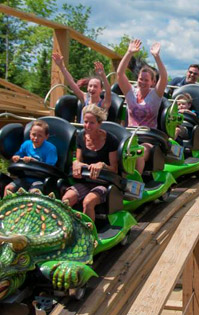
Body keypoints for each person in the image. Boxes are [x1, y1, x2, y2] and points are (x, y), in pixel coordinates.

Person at [117, 38, 168, 175]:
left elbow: (163, 77)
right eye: (141, 79)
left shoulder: (155, 95)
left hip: (148, 137)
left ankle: (134, 181)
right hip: (129, 135)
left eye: (146, 80)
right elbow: (120, 74)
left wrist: (156, 57)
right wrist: (129, 53)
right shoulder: (131, 93)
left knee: (137, 152)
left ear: (152, 82)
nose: (143, 82)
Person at [61, 104, 118, 222]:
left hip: (103, 183)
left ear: (99, 123)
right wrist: (76, 164)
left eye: (92, 123)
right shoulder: (81, 137)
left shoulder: (110, 140)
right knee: (66, 199)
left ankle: (89, 233)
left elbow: (114, 169)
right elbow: (78, 160)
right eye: (85, 122)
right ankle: (67, 229)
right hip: (86, 181)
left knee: (88, 202)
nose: (87, 126)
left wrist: (102, 165)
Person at [5, 120, 58, 195]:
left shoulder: (51, 149)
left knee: (33, 193)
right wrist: (16, 158)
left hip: (39, 180)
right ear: (30, 134)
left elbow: (50, 168)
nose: (36, 138)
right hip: (24, 178)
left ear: (46, 137)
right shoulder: (26, 145)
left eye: (40, 136)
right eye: (34, 134)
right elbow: (19, 155)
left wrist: (34, 162)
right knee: (8, 188)